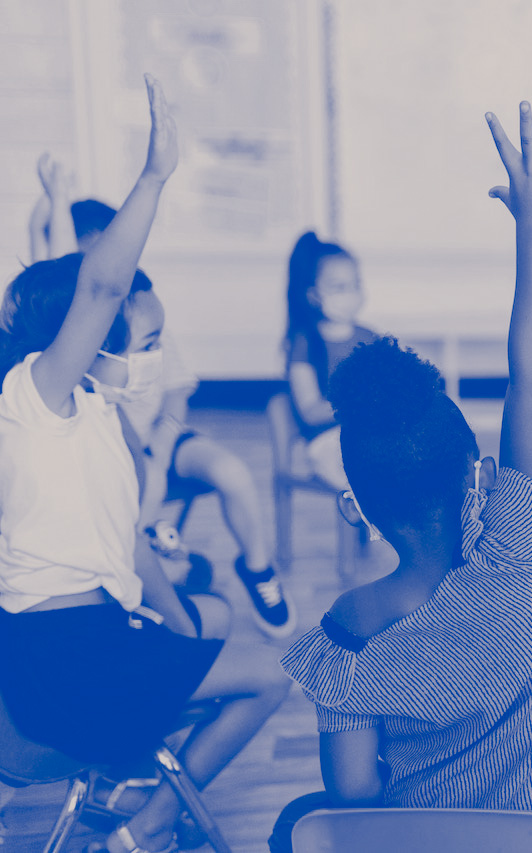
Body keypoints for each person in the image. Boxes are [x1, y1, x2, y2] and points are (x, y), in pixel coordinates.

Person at [270, 103, 532, 851]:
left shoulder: (350, 628)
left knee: (299, 822)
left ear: (358, 507)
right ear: (477, 476)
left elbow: (353, 794)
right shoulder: (520, 551)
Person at [0, 75, 289, 853]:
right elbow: (93, 284)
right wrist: (157, 172)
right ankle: (148, 827)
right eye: (144, 338)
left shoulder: (89, 410)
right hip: (67, 660)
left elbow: (125, 539)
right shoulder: (31, 400)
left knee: (225, 632)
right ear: (83, 340)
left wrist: (177, 614)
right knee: (270, 673)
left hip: (93, 639)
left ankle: (138, 818)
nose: (153, 353)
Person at [39, 188, 296, 639]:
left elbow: (176, 385)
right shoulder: (69, 335)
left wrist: (161, 443)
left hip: (164, 434)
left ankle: (258, 569)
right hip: (118, 454)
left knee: (233, 473)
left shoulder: (141, 307)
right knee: (143, 508)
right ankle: (158, 574)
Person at [283, 231, 378, 492]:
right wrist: (359, 404)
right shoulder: (305, 343)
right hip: (328, 442)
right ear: (314, 295)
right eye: (339, 287)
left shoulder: (371, 338)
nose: (351, 293)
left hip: (371, 436)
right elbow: (310, 412)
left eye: (355, 284)